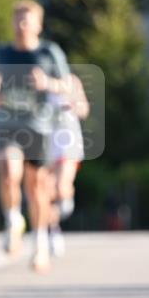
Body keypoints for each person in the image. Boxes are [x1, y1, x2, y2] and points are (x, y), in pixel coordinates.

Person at [0, 0, 71, 272]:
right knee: (9, 171)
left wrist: (48, 83)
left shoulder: (49, 53)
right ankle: (12, 220)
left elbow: (67, 85)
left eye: (27, 20)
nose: (21, 25)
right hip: (8, 125)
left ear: (38, 25)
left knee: (37, 189)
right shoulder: (1, 53)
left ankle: (41, 243)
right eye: (17, 19)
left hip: (40, 126)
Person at [47, 72, 89, 256]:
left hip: (67, 141)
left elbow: (84, 109)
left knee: (61, 187)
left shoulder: (72, 81)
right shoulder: (37, 79)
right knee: (47, 191)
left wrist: (73, 105)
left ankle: (65, 198)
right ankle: (52, 231)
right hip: (45, 141)